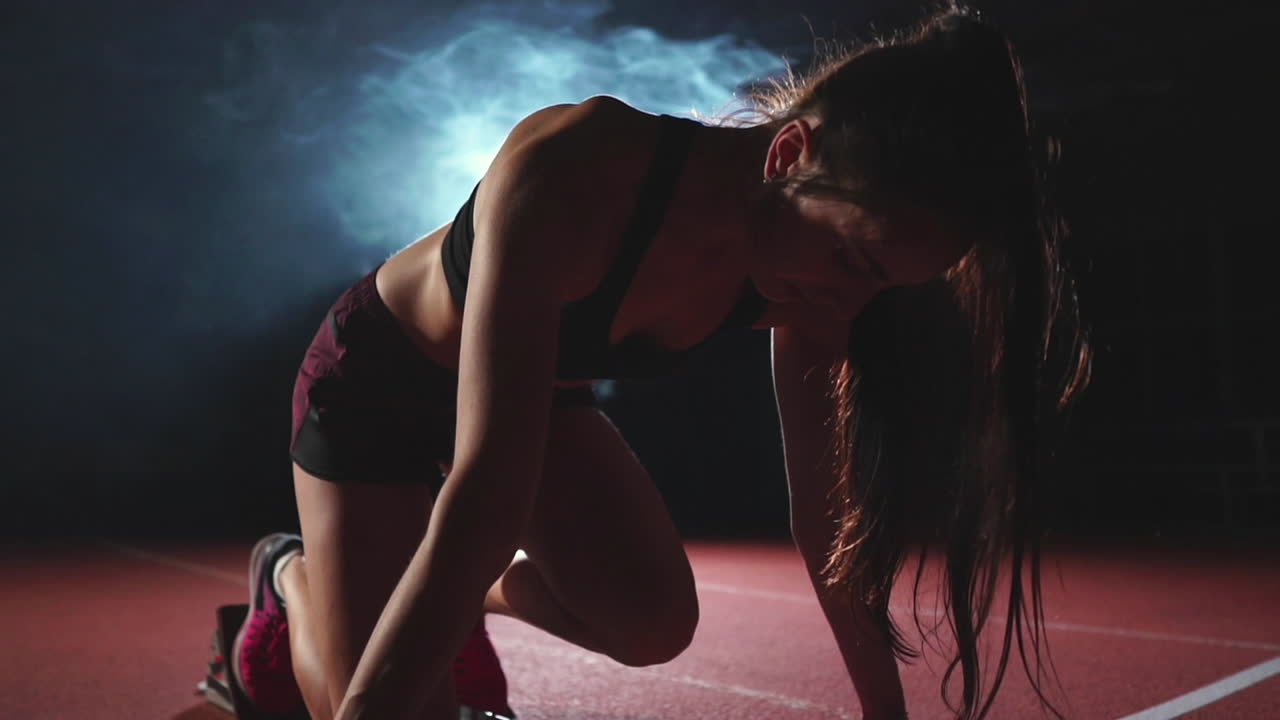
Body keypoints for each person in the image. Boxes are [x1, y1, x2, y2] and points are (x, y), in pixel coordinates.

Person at [228, 3, 1092, 719]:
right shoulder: (573, 168)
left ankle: (454, 593)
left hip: (531, 402)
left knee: (653, 624)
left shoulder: (808, 285)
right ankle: (291, 577)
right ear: (789, 156)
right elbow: (488, 491)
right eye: (853, 263)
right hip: (374, 386)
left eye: (885, 287)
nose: (850, 304)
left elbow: (826, 518)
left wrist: (885, 716)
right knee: (379, 705)